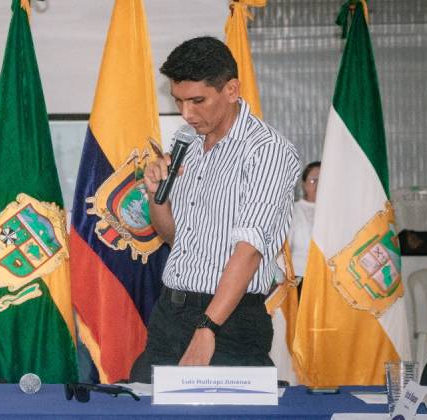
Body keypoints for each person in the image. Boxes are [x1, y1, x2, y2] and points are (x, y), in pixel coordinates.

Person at [130, 37, 300, 382]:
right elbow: (174, 237)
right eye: (178, 101)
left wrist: (207, 327)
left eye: (198, 101)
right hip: (170, 311)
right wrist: (155, 195)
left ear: (232, 90)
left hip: (228, 320)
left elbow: (250, 251)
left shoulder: (266, 150)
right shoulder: (187, 143)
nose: (187, 114)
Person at [289, 161, 320, 293]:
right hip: (301, 278)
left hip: (330, 278)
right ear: (304, 184)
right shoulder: (293, 211)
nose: (319, 185)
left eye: (324, 180)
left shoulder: (337, 212)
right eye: (314, 180)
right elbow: (285, 251)